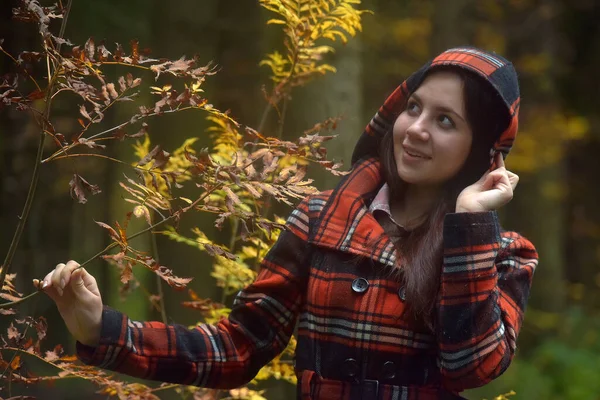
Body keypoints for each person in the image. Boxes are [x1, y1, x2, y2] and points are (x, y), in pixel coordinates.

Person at [36, 47, 538, 400]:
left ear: (482, 154)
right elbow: (238, 347)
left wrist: (470, 226)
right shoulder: (321, 219)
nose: (417, 130)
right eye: (413, 108)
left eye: (446, 121)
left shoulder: (505, 254)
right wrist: (100, 328)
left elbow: (474, 369)